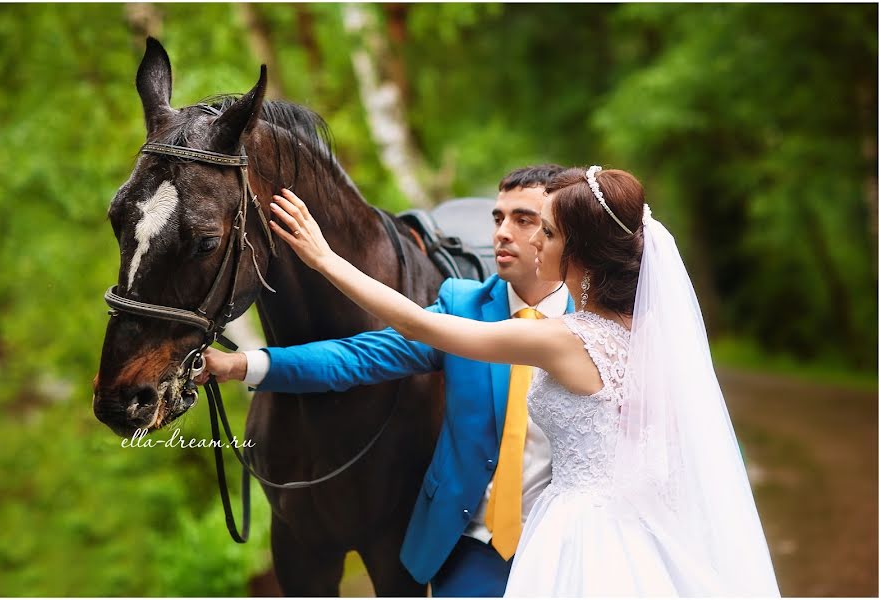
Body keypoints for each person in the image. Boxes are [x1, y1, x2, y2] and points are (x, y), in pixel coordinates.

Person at [265, 165, 780, 596]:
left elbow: (419, 325)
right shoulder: (646, 336)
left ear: (577, 254)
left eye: (548, 233)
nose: (532, 241)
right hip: (636, 531)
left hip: (578, 535)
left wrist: (324, 258)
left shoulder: (563, 339)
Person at [202, 165, 572, 597]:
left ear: (561, 232)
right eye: (497, 218)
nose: (502, 233)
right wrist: (243, 364)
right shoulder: (462, 306)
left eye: (523, 219)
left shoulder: (600, 325)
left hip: (568, 543)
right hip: (474, 549)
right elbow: (356, 358)